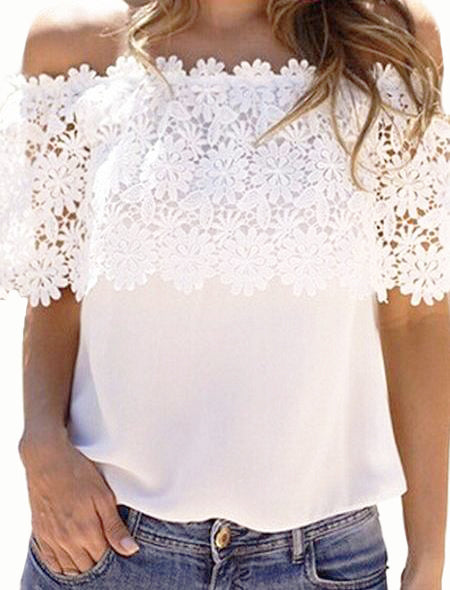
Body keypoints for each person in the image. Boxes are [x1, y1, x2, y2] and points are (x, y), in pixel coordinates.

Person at [0, 0, 448, 588]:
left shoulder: (386, 41)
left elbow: (415, 316)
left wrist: (428, 558)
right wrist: (41, 445)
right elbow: (55, 288)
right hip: (104, 549)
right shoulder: (74, 46)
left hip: (323, 562)